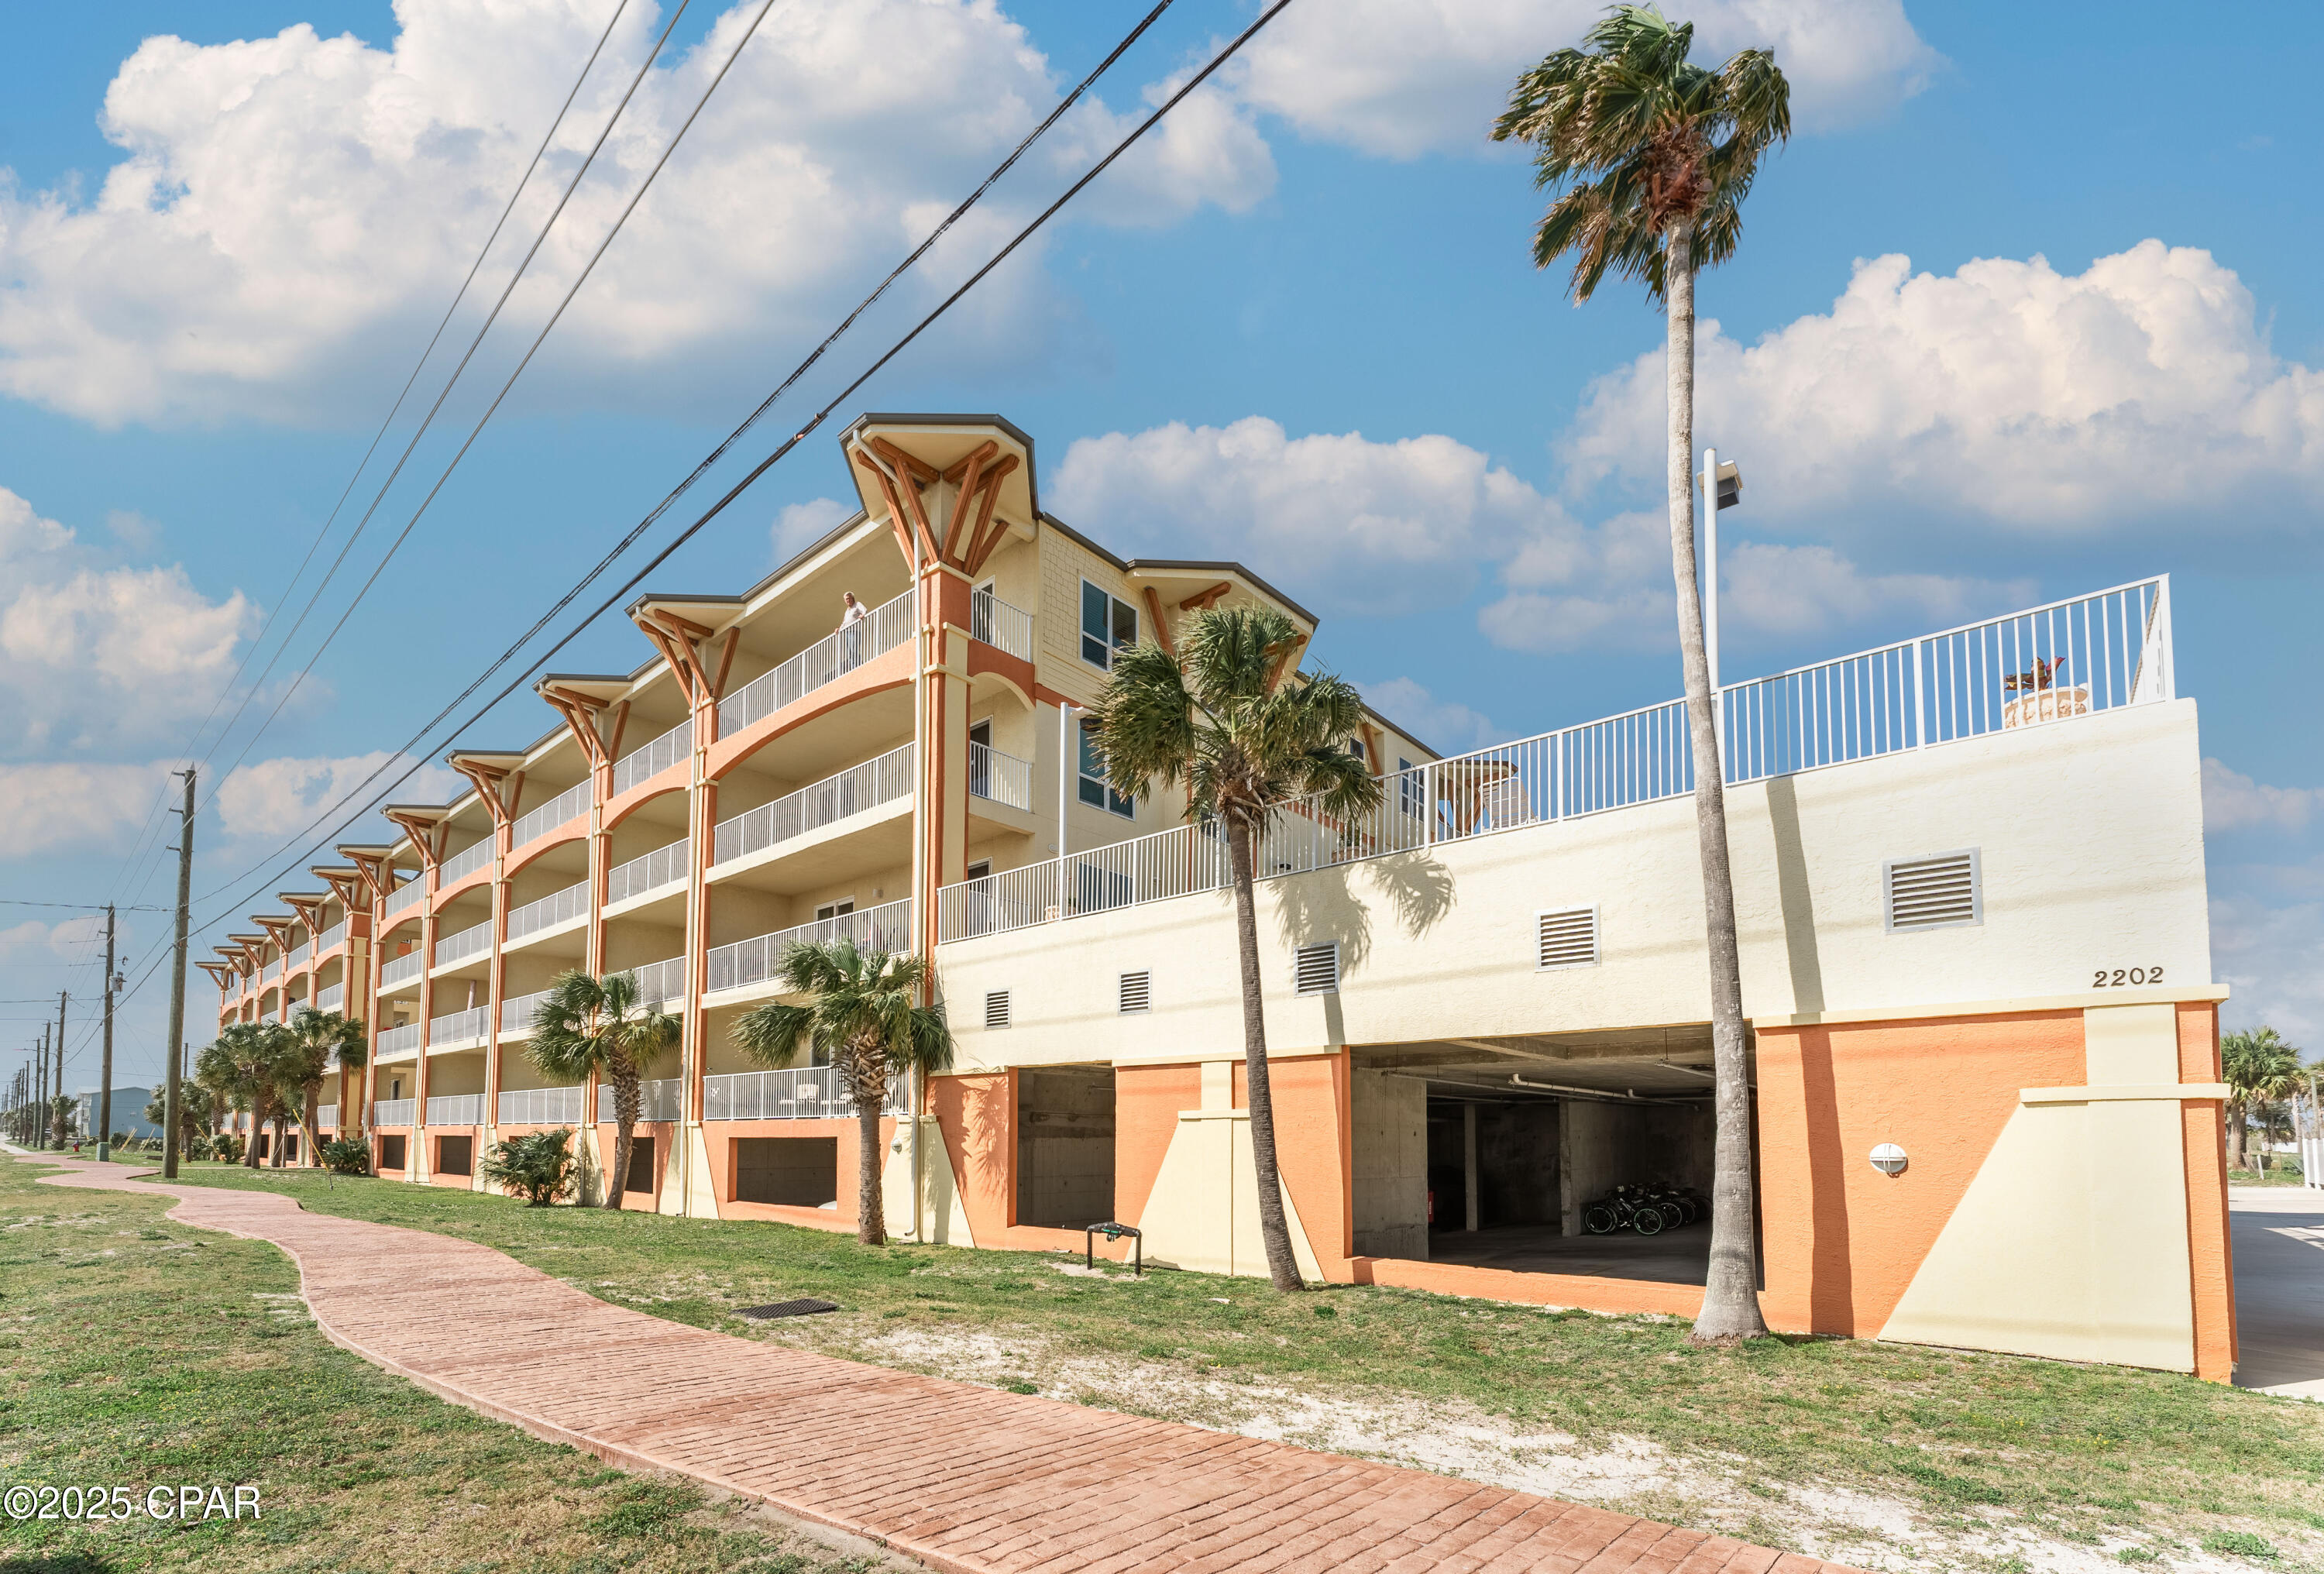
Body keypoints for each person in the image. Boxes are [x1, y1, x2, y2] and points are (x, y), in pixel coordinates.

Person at [838, 591, 867, 670]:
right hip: (847, 632)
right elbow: (844, 622)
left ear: (852, 598)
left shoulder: (857, 604)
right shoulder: (847, 611)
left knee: (854, 650)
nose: (847, 601)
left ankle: (859, 667)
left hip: (854, 631)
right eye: (845, 600)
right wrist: (839, 629)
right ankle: (854, 668)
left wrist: (862, 615)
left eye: (848, 599)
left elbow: (864, 610)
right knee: (850, 653)